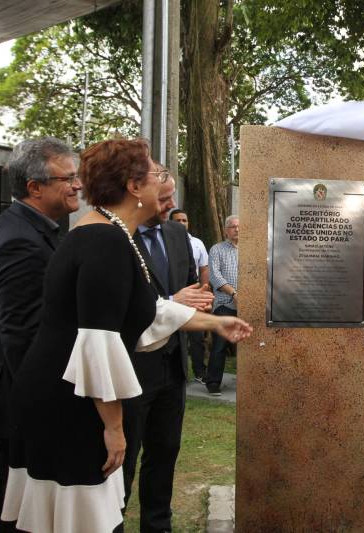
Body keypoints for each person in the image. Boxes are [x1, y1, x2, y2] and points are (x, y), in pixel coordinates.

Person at [0, 138, 252, 532]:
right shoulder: (105, 242)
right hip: (70, 404)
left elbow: (145, 307)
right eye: (153, 174)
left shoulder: (110, 234)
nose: (161, 184)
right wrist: (115, 429)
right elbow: (98, 342)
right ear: (134, 187)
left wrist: (215, 322)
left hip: (66, 393)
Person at [0, 137, 80, 532]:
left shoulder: (29, 229)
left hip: (21, 392)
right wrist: (51, 405)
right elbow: (25, 338)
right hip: (21, 396)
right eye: (68, 178)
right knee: (20, 507)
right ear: (35, 187)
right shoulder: (19, 241)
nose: (78, 185)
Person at [123, 168, 214, 532]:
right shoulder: (115, 235)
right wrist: (171, 301)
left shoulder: (178, 234)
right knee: (125, 455)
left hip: (172, 366)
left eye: (172, 196)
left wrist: (194, 304)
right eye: (162, 198)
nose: (171, 205)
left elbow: (185, 288)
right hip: (131, 364)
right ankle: (113, 518)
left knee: (164, 452)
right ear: (136, 192)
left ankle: (158, 524)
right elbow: (121, 302)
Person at [170, 207, 210, 382]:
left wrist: (203, 293)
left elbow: (203, 269)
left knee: (197, 337)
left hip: (193, 294)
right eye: (177, 220)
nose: (181, 223)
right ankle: (177, 374)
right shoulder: (165, 241)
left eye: (184, 220)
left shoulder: (197, 244)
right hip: (172, 295)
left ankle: (200, 372)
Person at [206, 215, 240, 396]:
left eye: (239, 226)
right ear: (226, 230)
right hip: (224, 304)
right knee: (219, 345)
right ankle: (212, 383)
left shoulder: (251, 250)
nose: (237, 229)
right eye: (233, 226)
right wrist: (233, 294)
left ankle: (248, 384)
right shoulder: (217, 249)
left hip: (248, 305)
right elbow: (214, 276)